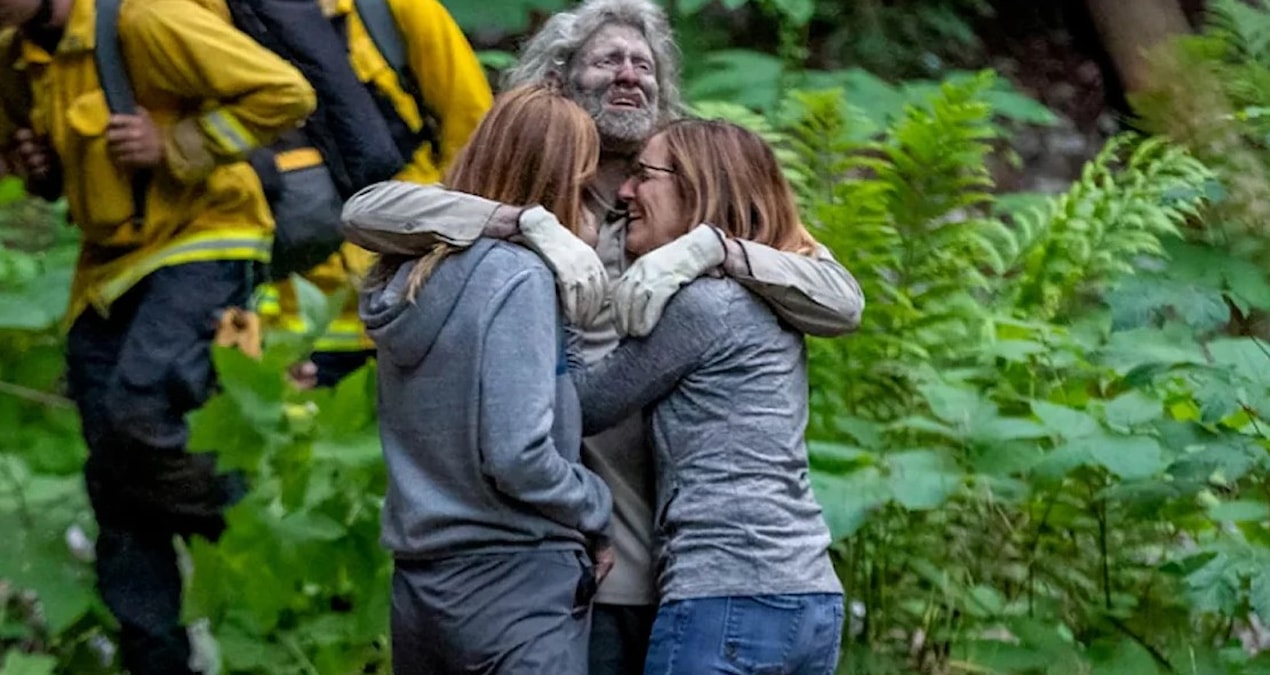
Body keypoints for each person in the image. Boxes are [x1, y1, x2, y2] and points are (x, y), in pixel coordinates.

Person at [340, 1, 864, 671]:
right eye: (607, 60)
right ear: (557, 80)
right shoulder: (532, 202)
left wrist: (712, 249)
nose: (629, 75)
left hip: (693, 568)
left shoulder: (686, 202)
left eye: (643, 64)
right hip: (581, 559)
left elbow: (842, 300)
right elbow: (366, 211)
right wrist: (528, 222)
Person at [0, 0, 316, 671]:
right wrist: (34, 164)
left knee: (140, 408)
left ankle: (244, 536)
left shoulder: (143, 18)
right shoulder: (15, 56)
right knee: (111, 474)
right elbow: (44, 172)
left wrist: (179, 144)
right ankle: (157, 656)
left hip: (205, 238)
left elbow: (285, 92)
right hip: (107, 267)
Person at [574, 118, 845, 675]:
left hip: (727, 598)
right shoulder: (765, 293)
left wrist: (558, 310)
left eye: (644, 176)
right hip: (808, 596)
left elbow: (587, 404)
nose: (626, 192)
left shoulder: (704, 305)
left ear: (698, 187)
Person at [363, 84, 612, 675]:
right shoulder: (518, 278)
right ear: (559, 186)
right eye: (586, 186)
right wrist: (594, 506)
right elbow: (517, 453)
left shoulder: (413, 275)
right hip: (513, 586)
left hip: (422, 588)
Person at [264, 0, 493, 389]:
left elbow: (474, 134)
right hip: (297, 320)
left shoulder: (390, 10)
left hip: (413, 296)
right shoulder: (232, 17)